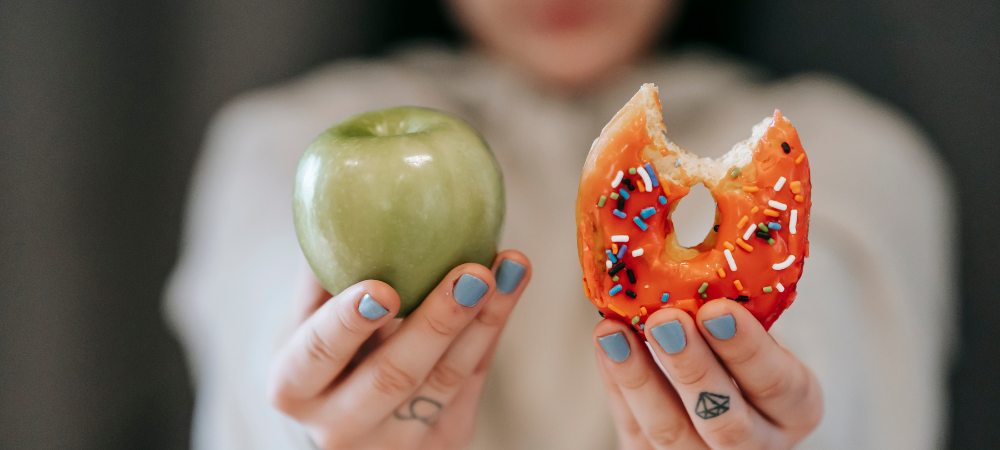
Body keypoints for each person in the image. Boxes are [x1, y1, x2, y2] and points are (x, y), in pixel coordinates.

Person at [165, 0, 955, 448]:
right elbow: (259, 333)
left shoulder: (857, 149)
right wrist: (315, 421)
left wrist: (781, 421)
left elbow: (842, 348)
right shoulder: (277, 141)